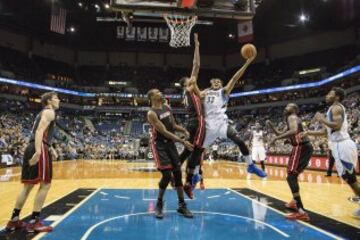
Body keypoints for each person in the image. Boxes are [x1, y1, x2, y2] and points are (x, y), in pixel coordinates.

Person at [191, 52, 267, 179]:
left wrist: (247, 62)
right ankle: (195, 175)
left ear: (221, 84)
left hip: (222, 124)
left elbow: (235, 78)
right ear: (211, 84)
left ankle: (251, 165)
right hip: (208, 126)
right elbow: (194, 87)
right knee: (198, 151)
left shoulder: (224, 92)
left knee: (240, 141)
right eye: (214, 81)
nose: (216, 82)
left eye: (218, 81)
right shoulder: (204, 93)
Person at [6, 92, 60, 232]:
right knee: (45, 185)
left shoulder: (42, 113)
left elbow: (40, 131)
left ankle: (14, 220)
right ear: (49, 101)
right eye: (56, 98)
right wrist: (39, 151)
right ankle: (34, 222)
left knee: (27, 186)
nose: (58, 100)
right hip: (38, 146)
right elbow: (40, 132)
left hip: (33, 146)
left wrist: (51, 148)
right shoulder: (50, 112)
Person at [304, 87, 359, 219]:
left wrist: (321, 118)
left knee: (350, 178)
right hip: (338, 146)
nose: (327, 95)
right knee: (349, 178)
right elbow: (324, 132)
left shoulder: (336, 108)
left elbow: (337, 126)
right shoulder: (331, 109)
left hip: (343, 145)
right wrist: (308, 132)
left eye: (330, 93)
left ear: (337, 97)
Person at [147, 89, 194, 219]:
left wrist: (183, 129)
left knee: (178, 174)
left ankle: (182, 205)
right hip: (159, 145)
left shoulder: (167, 107)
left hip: (170, 144)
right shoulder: (151, 113)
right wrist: (182, 141)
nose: (161, 93)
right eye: (157, 92)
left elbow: (172, 125)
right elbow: (164, 131)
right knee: (167, 175)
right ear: (152, 97)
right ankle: (159, 203)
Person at [267, 103, 313, 221]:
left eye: (289, 106)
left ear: (294, 109)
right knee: (293, 175)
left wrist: (276, 139)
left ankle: (301, 210)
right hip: (304, 147)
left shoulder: (292, 117)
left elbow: (293, 131)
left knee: (291, 177)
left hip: (300, 146)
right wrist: (272, 127)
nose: (285, 107)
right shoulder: (292, 119)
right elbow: (280, 134)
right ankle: (295, 202)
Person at [178, 34, 205, 198]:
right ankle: (184, 178)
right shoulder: (189, 88)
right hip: (196, 122)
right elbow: (196, 65)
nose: (193, 79)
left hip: (193, 123)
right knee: (194, 152)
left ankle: (183, 179)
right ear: (186, 83)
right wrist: (197, 46)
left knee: (191, 152)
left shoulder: (189, 92)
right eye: (190, 79)